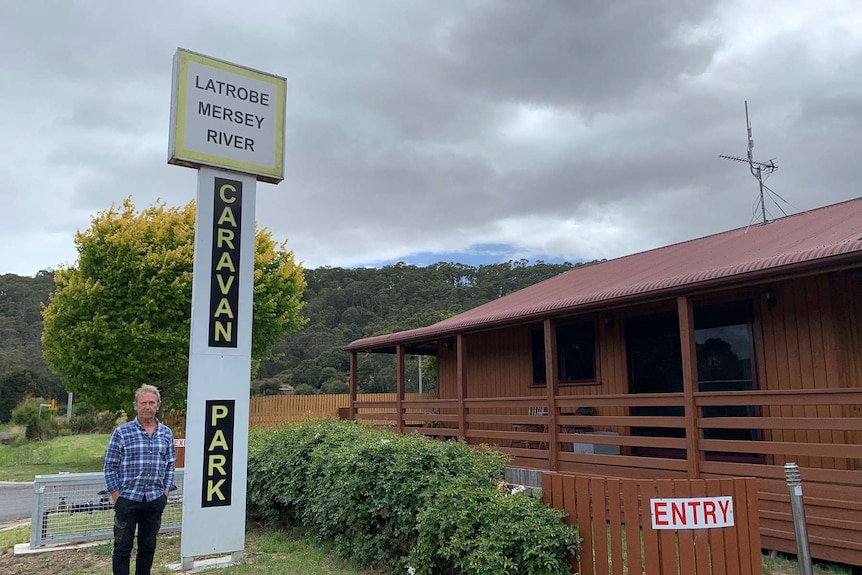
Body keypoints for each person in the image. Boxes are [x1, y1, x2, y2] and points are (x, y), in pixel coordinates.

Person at [104, 384, 176, 575]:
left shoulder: (166, 433)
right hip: (127, 499)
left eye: (151, 403)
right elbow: (110, 465)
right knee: (122, 548)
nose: (147, 406)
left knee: (148, 547)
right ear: (135, 405)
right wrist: (116, 495)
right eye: (143, 402)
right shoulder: (122, 433)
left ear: (158, 405)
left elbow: (170, 465)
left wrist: (165, 492)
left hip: (154, 499)